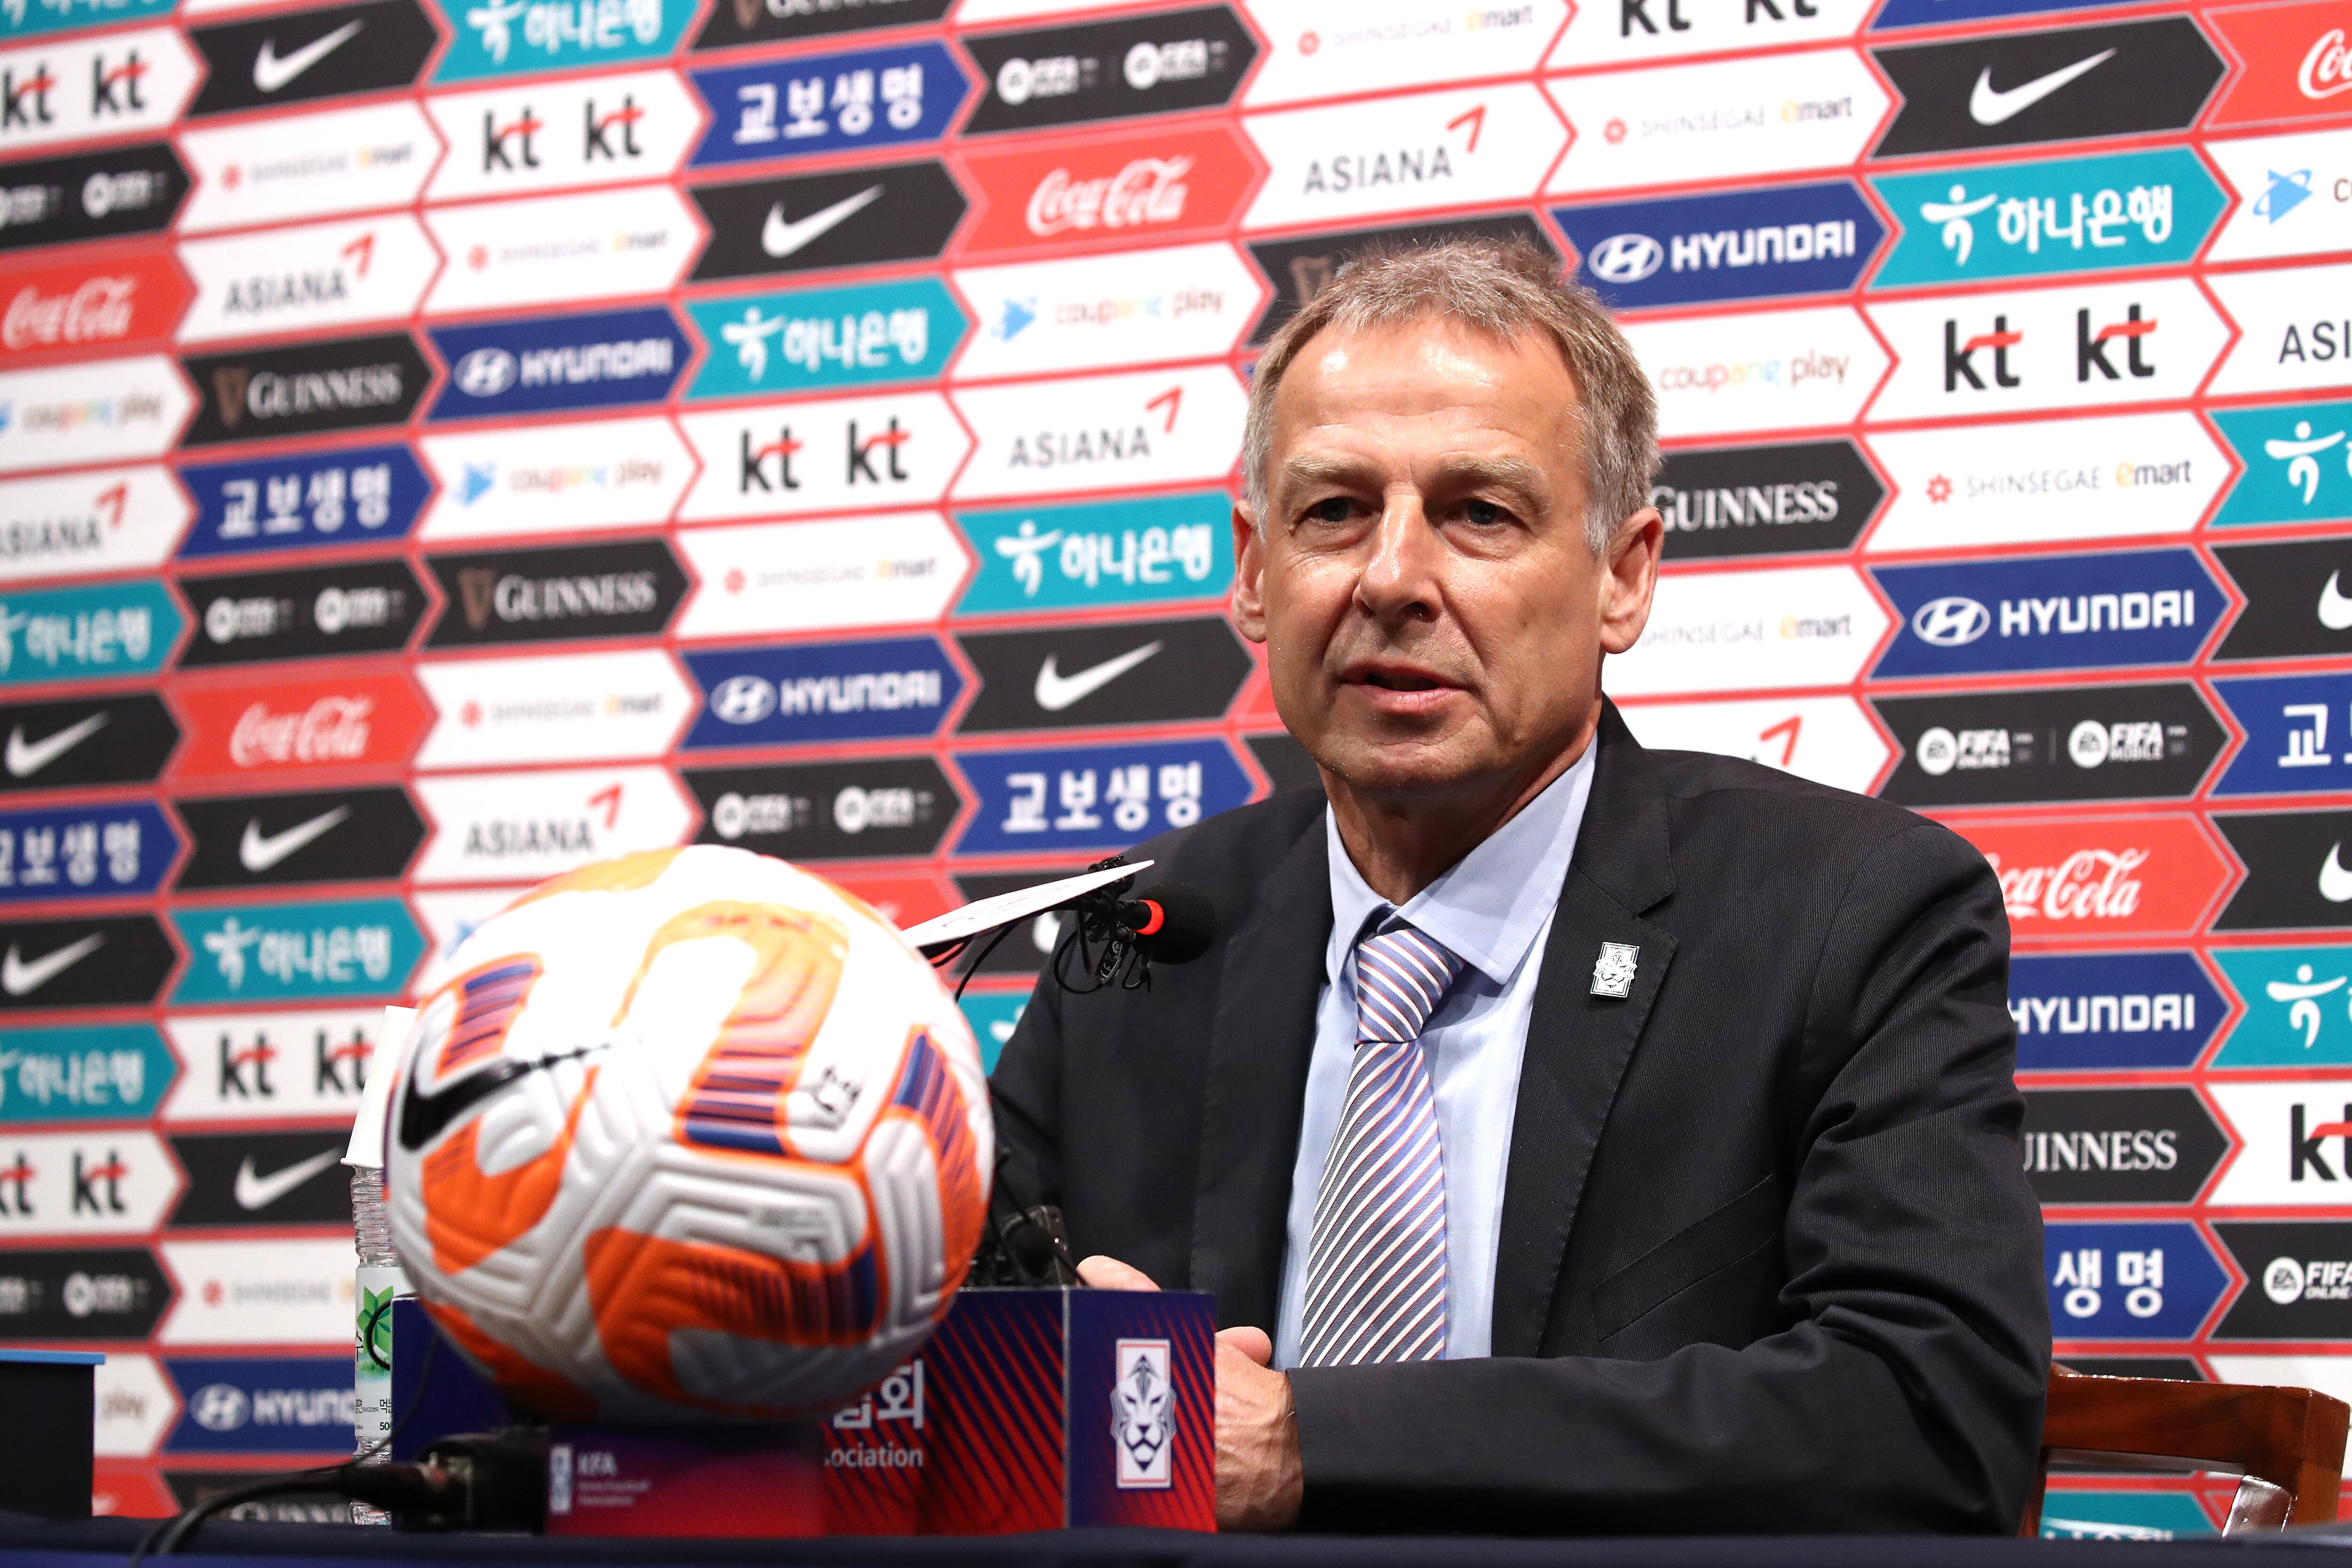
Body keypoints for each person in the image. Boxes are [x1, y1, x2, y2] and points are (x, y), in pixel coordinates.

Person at [987, 239, 2049, 1535]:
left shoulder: (1847, 911)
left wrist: (1319, 1442)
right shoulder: (1147, 931)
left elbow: (1934, 1414)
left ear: (1624, 577)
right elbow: (939, 1350)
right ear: (1257, 575)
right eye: (1335, 512)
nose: (1392, 579)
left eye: (1481, 513)